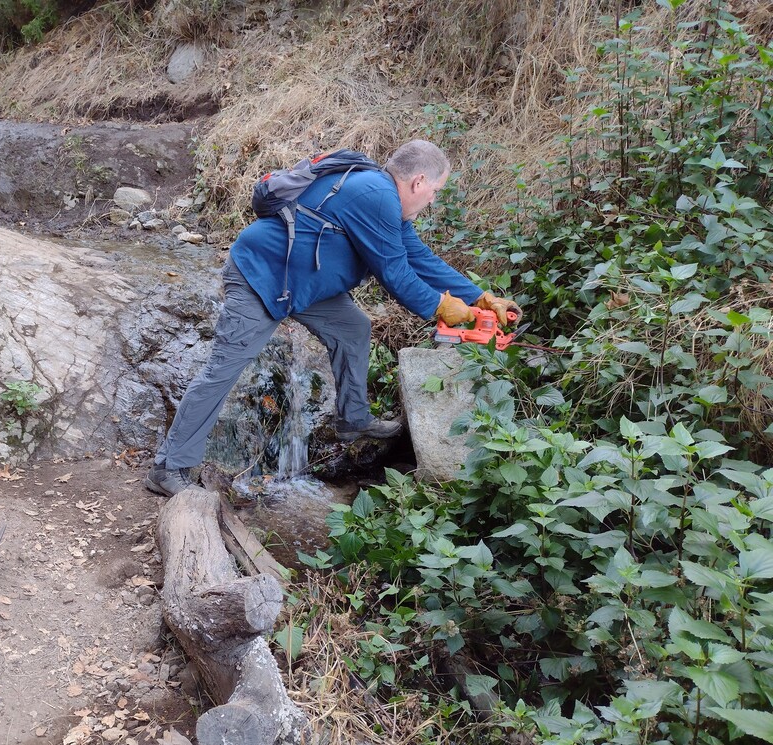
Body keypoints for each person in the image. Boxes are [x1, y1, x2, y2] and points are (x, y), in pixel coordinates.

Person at [145, 139, 521, 497]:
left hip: (301, 284)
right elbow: (396, 275)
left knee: (353, 327)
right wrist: (441, 307)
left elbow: (418, 257)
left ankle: (353, 419)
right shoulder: (376, 195)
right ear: (418, 181)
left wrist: (480, 297)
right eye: (435, 191)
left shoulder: (383, 199)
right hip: (261, 276)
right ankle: (168, 468)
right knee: (223, 370)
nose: (433, 199)